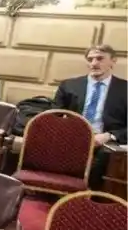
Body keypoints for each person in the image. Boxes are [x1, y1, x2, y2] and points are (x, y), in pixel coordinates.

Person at [53, 44, 126, 189]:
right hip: (74, 136)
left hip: (106, 141)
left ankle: (89, 199)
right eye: (90, 59)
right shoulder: (69, 85)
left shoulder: (125, 89)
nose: (94, 64)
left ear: (113, 61)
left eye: (100, 59)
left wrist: (109, 136)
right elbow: (55, 115)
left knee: (104, 157)